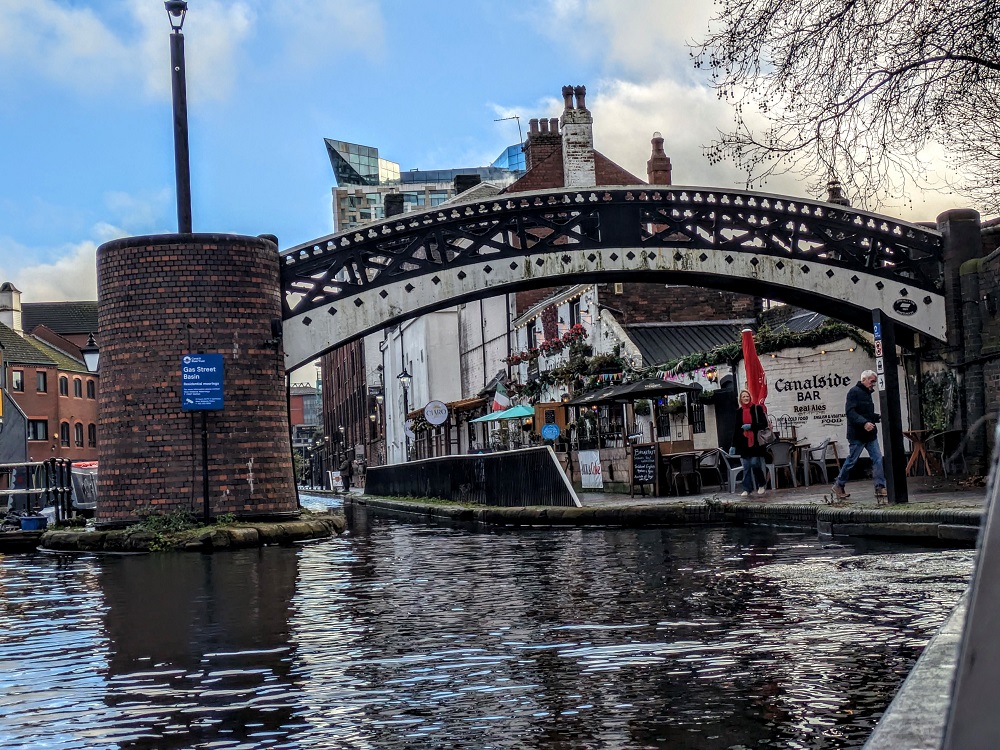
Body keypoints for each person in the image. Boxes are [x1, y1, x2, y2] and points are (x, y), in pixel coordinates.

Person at [832, 370, 886, 499]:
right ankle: (839, 484)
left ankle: (880, 487)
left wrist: (877, 417)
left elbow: (865, 413)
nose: (873, 384)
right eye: (872, 381)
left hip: (869, 434)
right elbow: (850, 412)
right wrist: (864, 423)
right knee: (852, 460)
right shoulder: (854, 392)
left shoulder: (867, 394)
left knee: (878, 458)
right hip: (857, 434)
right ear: (864, 380)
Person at [731, 389, 769, 497]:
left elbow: (763, 424)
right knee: (746, 467)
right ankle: (747, 489)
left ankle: (761, 484)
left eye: (747, 396)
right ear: (740, 399)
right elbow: (736, 429)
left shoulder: (757, 408)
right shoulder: (739, 412)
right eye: (744, 397)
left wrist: (751, 427)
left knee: (754, 464)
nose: (746, 398)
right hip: (744, 443)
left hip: (755, 443)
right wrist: (733, 445)